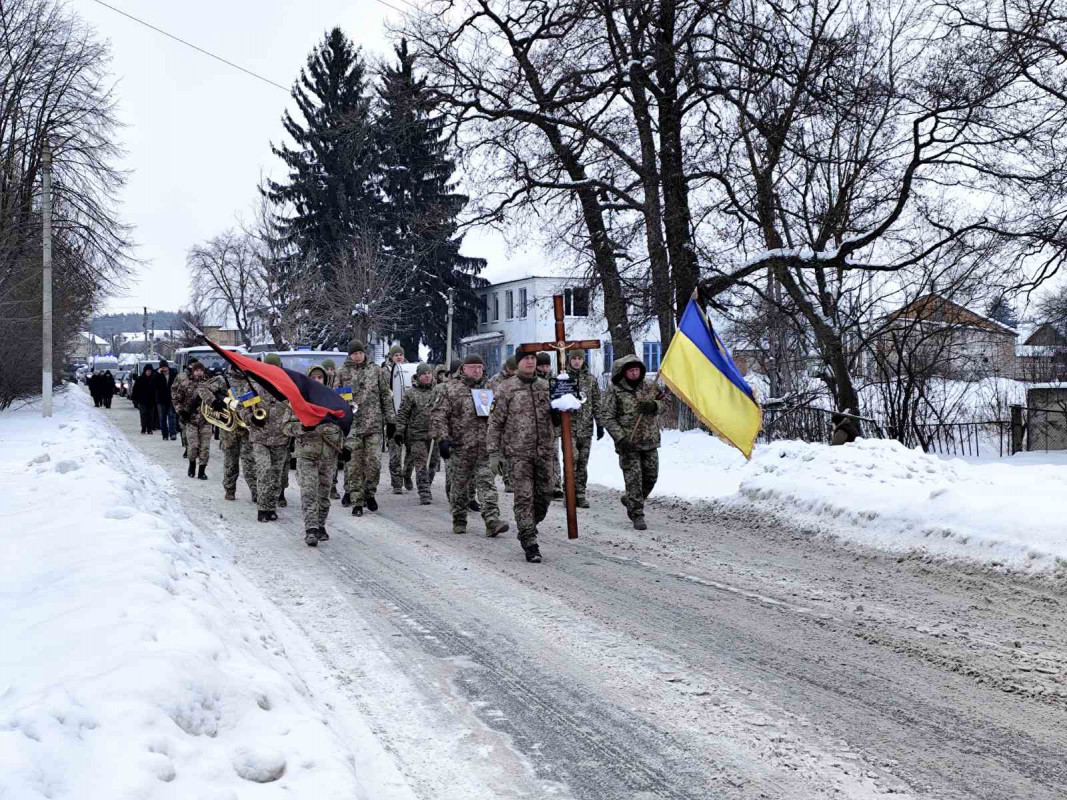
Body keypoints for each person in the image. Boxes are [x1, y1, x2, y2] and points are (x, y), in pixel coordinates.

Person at [487, 351, 556, 563]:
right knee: (524, 497)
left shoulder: (546, 387)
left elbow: (561, 417)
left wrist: (561, 413)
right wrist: (494, 453)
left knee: (545, 495)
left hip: (544, 452)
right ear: (518, 363)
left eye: (533, 358)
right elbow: (495, 422)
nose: (530, 361)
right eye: (525, 358)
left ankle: (529, 524)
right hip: (518, 454)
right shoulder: (506, 388)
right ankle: (529, 541)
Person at [430, 354, 509, 536]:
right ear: (463, 369)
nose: (477, 371)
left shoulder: (488, 389)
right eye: (473, 367)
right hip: (460, 448)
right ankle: (459, 519)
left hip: (483, 448)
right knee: (459, 487)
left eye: (480, 368)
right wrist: (442, 439)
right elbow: (438, 415)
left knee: (487, 484)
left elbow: (496, 418)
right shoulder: (449, 389)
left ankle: (492, 521)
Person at [284, 364, 348, 546]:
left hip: (328, 455)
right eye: (314, 377)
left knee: (323, 494)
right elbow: (286, 426)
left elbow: (347, 425)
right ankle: (311, 529)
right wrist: (302, 428)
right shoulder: (298, 400)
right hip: (307, 455)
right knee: (309, 492)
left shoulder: (334, 400)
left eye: (320, 377)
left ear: (325, 380)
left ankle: (320, 525)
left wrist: (347, 448)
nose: (317, 380)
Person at [602, 354, 662, 531]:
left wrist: (654, 406)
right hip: (628, 443)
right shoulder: (615, 391)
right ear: (624, 372)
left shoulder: (650, 386)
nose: (635, 373)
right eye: (631, 370)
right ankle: (637, 513)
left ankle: (630, 499)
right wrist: (620, 437)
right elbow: (607, 416)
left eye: (637, 369)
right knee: (634, 479)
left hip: (650, 440)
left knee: (651, 477)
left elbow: (664, 403)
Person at [336, 340, 395, 516]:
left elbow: (385, 395)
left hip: (374, 425)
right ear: (350, 355)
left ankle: (370, 493)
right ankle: (357, 501)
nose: (358, 356)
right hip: (352, 427)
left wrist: (391, 421)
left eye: (360, 353)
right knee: (354, 465)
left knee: (374, 463)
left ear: (364, 353)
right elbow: (336, 398)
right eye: (354, 354)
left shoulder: (376, 370)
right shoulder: (342, 372)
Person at [242, 353, 291, 522]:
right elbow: (243, 408)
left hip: (281, 437)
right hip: (260, 437)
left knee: (276, 475)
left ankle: (271, 507)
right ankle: (262, 508)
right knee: (264, 471)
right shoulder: (254, 385)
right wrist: (251, 418)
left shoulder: (287, 387)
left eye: (275, 367)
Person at [204, 365, 257, 503]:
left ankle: (256, 491)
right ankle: (230, 489)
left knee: (250, 461)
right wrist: (214, 401)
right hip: (229, 428)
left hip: (246, 427)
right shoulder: (223, 379)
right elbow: (202, 389)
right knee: (230, 460)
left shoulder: (251, 380)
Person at [563, 350, 603, 508]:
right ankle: (569, 494)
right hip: (569, 428)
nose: (577, 361)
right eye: (574, 358)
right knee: (571, 460)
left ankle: (580, 494)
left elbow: (597, 403)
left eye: (580, 358)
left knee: (582, 463)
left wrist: (599, 423)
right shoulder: (564, 378)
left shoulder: (591, 379)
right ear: (570, 360)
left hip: (586, 428)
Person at [395, 363, 437, 505]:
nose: (427, 376)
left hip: (434, 435)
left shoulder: (438, 392)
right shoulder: (411, 393)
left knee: (432, 464)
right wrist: (399, 431)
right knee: (421, 464)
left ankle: (426, 485)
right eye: (424, 374)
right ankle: (424, 493)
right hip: (416, 435)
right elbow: (403, 414)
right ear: (418, 376)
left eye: (429, 373)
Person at [172, 360, 212, 479]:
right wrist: (180, 411)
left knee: (205, 447)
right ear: (193, 371)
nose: (199, 373)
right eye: (197, 370)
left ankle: (202, 470)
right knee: (193, 446)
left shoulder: (209, 383)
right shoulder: (186, 384)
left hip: (206, 420)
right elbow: (176, 399)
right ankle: (192, 465)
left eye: (201, 370)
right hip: (191, 420)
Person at [383, 344, 413, 494]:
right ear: (391, 357)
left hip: (410, 419)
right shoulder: (385, 373)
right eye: (396, 355)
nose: (399, 357)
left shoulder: (410, 371)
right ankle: (396, 483)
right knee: (395, 453)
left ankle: (407, 474)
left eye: (400, 355)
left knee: (412, 450)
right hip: (393, 418)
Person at [535, 352, 563, 498]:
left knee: (554, 455)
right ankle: (541, 484)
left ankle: (556, 485)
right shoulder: (532, 381)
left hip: (553, 425)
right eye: (542, 366)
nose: (545, 368)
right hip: (536, 427)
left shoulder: (555, 381)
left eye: (547, 365)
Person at [154, 360, 178, 441]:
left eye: (165, 367)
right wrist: (158, 374)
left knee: (172, 416)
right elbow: (153, 384)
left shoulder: (173, 373)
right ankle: (165, 435)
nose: (164, 369)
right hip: (161, 400)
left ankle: (173, 434)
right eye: (162, 367)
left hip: (171, 399)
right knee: (162, 418)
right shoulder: (157, 374)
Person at [130, 364, 156, 434]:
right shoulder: (140, 379)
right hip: (142, 400)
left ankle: (149, 429)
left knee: (150, 415)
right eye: (147, 371)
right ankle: (143, 428)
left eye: (149, 371)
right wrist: (135, 400)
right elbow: (135, 390)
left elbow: (157, 390)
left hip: (151, 400)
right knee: (143, 414)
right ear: (145, 371)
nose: (148, 372)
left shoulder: (154, 379)